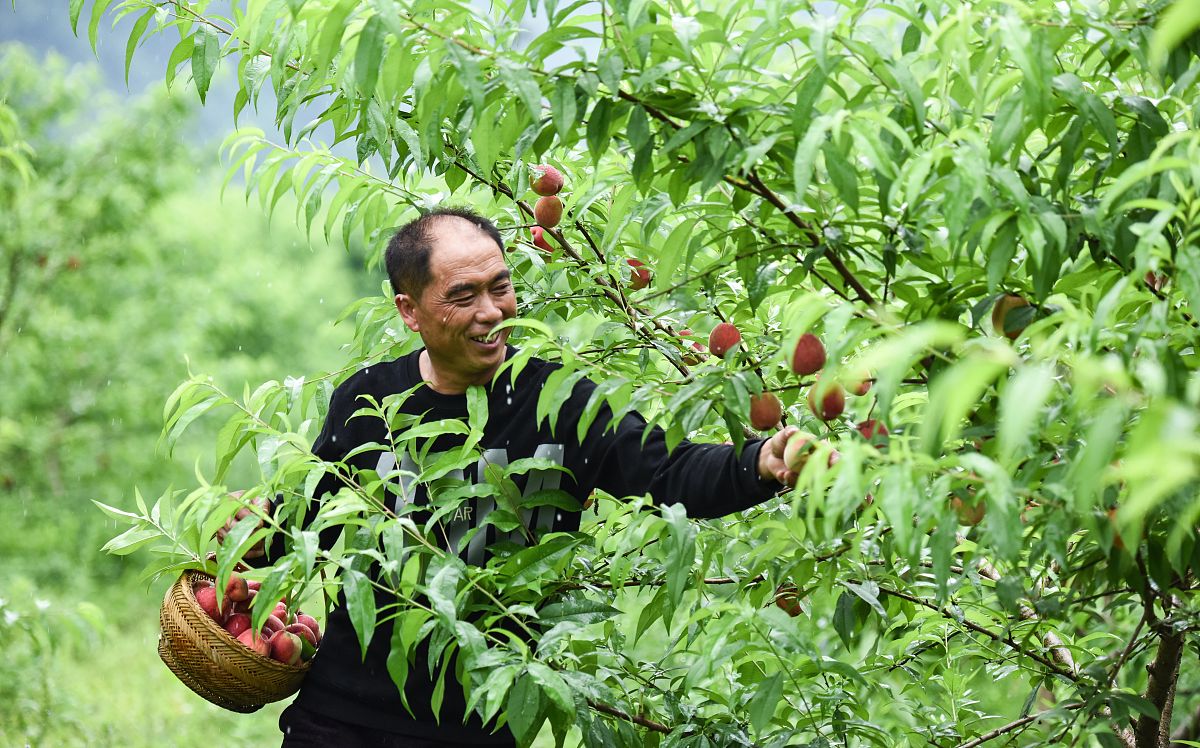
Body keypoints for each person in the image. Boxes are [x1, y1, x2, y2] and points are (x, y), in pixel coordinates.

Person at [228, 207, 802, 747]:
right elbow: (309, 522)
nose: (491, 312)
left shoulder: (561, 401)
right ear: (410, 310)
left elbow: (668, 470)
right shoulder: (367, 399)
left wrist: (760, 462)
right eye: (463, 296)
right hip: (341, 716)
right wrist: (250, 535)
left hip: (481, 724)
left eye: (499, 287)